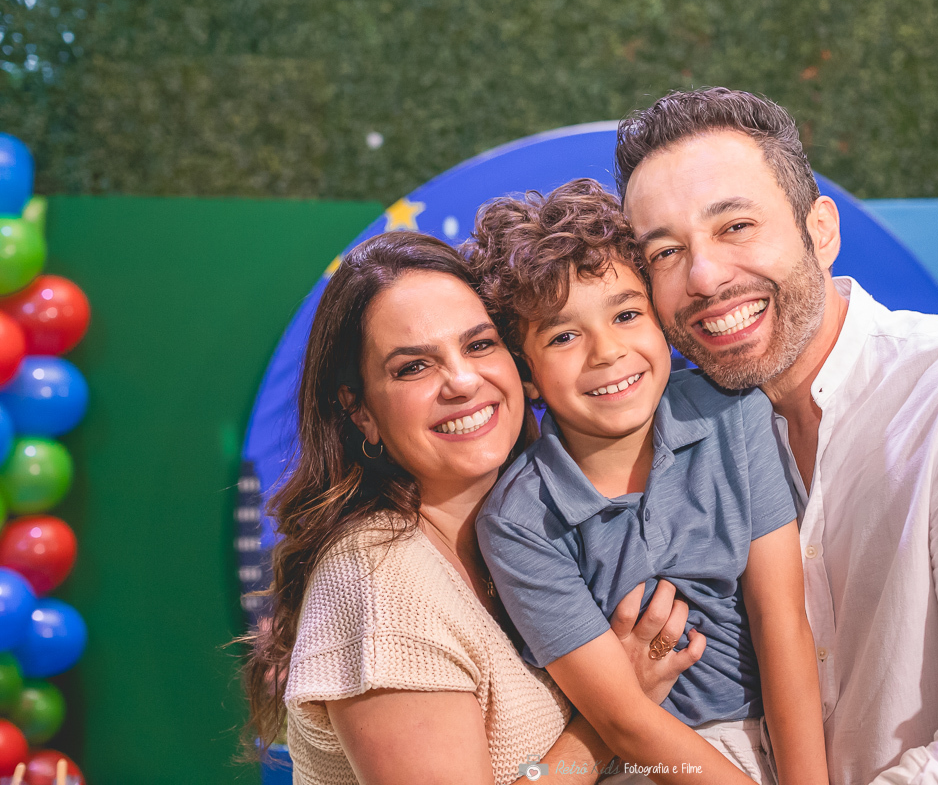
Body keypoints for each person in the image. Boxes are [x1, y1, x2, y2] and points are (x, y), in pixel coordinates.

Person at [614, 87, 938, 784]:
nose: (704, 277)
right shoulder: (669, 444)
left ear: (821, 231)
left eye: (735, 226)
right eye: (666, 252)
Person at [241, 230, 706, 785]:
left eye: (479, 345)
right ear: (360, 411)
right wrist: (613, 715)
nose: (462, 382)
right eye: (413, 367)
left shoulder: (542, 525)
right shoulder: (380, 585)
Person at [469, 179, 828, 785]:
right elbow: (624, 720)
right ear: (525, 374)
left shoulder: (732, 414)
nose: (607, 351)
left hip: (778, 738)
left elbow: (783, 621)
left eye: (627, 315)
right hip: (642, 761)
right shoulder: (518, 520)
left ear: (659, 320)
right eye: (563, 336)